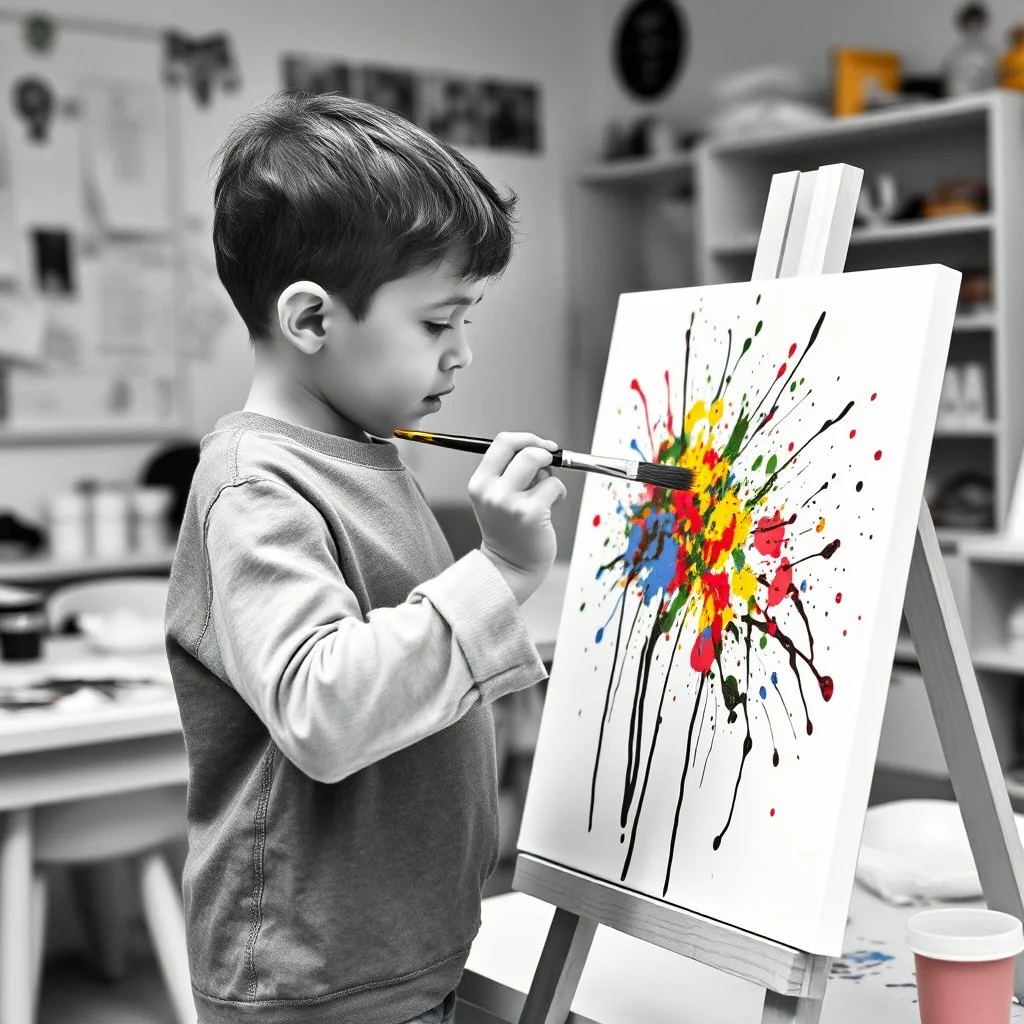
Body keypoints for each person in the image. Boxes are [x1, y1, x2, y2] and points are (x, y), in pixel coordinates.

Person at [164, 90, 566, 1024]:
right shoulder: (257, 484)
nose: (461, 354)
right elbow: (324, 708)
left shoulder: (369, 450)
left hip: (393, 950)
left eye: (468, 320)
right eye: (438, 323)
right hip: (312, 978)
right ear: (310, 320)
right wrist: (498, 574)